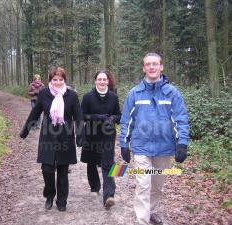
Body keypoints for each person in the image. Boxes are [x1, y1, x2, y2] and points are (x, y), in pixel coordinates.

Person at [118, 53, 189, 225]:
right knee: (143, 185)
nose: (151, 67)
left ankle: (151, 211)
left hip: (164, 148)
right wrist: (124, 143)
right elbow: (127, 121)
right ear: (143, 68)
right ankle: (142, 220)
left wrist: (182, 143)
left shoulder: (172, 93)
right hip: (142, 147)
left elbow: (181, 118)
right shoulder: (135, 94)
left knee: (157, 186)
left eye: (155, 64)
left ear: (161, 67)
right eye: (148, 64)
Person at [20, 67, 84, 212]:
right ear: (50, 80)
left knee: (62, 171)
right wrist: (25, 131)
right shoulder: (44, 94)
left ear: (64, 80)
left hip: (65, 137)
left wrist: (80, 135)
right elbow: (35, 113)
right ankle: (49, 195)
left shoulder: (71, 96)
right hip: (48, 137)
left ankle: (62, 201)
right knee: (47, 169)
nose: (58, 82)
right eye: (55, 80)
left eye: (61, 80)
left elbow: (78, 117)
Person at [80, 69, 121, 209]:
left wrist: (114, 118)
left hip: (108, 134)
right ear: (95, 81)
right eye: (99, 79)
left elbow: (119, 116)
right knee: (91, 161)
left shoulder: (114, 97)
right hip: (91, 133)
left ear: (108, 81)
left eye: (104, 79)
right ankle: (94, 187)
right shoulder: (88, 97)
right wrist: (98, 117)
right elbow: (82, 115)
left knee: (108, 162)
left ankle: (109, 195)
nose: (102, 82)